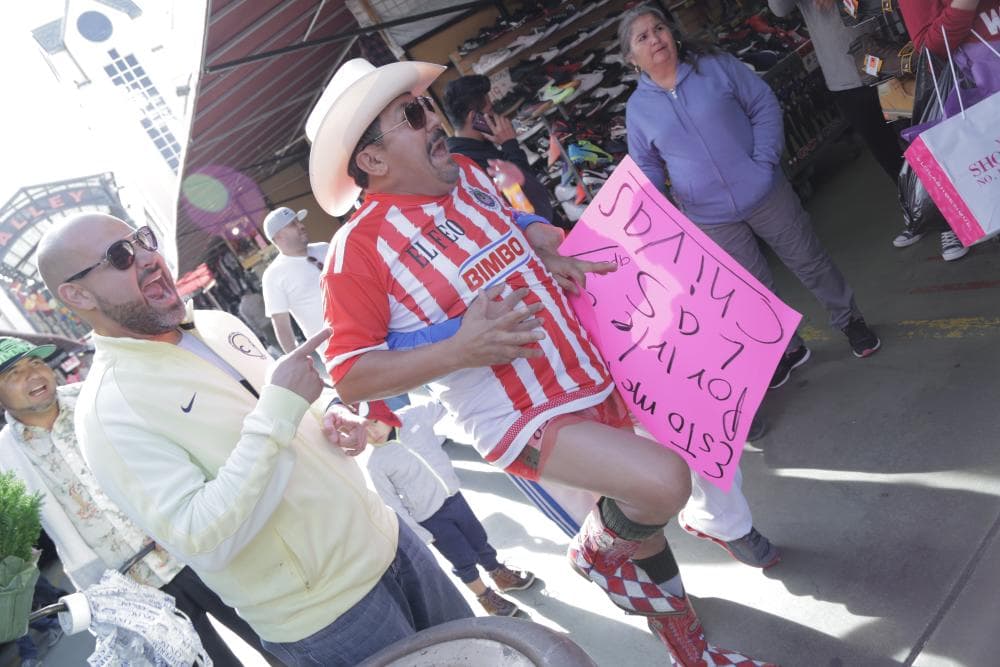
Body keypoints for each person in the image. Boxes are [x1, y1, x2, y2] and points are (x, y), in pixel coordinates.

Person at [307, 56, 776, 666]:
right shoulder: (358, 251)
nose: (435, 121)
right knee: (663, 482)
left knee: (645, 529)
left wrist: (538, 239)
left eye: (426, 105)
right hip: (517, 413)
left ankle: (694, 656)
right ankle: (591, 554)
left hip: (588, 367)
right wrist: (458, 349)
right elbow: (349, 372)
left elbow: (514, 220)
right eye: (414, 114)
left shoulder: (469, 173)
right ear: (370, 159)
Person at [35, 216, 473, 667]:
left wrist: (332, 417)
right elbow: (202, 539)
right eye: (120, 256)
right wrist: (281, 410)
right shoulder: (109, 409)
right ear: (77, 294)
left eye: (144, 240)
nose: (148, 258)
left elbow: (286, 410)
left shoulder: (218, 324)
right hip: (329, 617)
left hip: (391, 540)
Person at [621, 5, 881, 389]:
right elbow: (647, 167)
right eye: (642, 37)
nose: (655, 39)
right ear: (631, 59)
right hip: (710, 217)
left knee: (808, 259)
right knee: (753, 290)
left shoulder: (715, 67)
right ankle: (789, 349)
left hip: (764, 190)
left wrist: (763, 161)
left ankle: (850, 321)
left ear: (672, 34)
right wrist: (653, 217)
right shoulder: (638, 110)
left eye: (658, 28)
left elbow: (762, 105)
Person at [0, 335, 274, 666]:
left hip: (189, 545)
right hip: (130, 588)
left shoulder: (100, 400)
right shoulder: (6, 457)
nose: (34, 375)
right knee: (203, 662)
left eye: (37, 363)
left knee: (273, 637)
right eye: (14, 373)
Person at [762, 1, 957, 259]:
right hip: (843, 77)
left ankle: (951, 221)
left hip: (890, 62)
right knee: (886, 152)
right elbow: (779, 9)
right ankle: (917, 214)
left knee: (919, 143)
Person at [360, 399, 536, 617]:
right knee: (461, 558)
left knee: (478, 539)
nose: (372, 432)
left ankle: (498, 573)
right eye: (363, 429)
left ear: (384, 414)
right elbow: (391, 503)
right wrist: (420, 533)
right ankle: (485, 596)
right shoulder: (377, 464)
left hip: (455, 497)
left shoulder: (413, 417)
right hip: (430, 519)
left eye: (374, 421)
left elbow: (444, 402)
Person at [443, 75, 555, 222]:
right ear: (474, 118)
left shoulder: (475, 147)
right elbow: (524, 195)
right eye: (490, 111)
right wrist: (510, 144)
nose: (495, 116)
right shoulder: (470, 163)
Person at [260, 206, 329, 354]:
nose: (301, 226)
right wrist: (296, 359)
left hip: (375, 330)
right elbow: (281, 324)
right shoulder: (273, 276)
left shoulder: (325, 248)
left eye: (298, 221)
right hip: (337, 353)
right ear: (278, 237)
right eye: (293, 224)